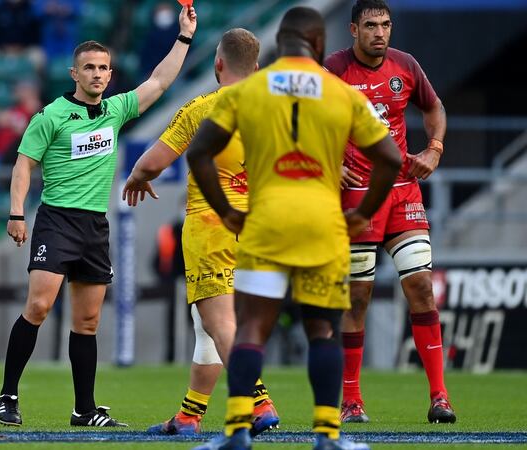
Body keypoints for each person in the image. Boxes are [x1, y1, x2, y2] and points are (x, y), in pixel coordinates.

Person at [186, 7, 401, 450]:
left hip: (266, 223)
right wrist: (364, 213)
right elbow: (391, 159)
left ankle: (237, 433)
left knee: (250, 329)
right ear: (319, 44)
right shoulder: (341, 93)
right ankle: (326, 436)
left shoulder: (249, 90)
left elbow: (199, 154)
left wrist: (227, 211)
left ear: (279, 44)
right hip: (322, 225)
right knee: (322, 329)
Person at [0, 4, 197, 428]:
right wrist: (16, 214)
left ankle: (83, 411)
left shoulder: (116, 109)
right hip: (56, 220)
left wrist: (184, 38)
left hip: (93, 226)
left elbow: (159, 82)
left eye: (103, 68)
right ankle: (8, 395)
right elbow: (22, 166)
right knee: (39, 305)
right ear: (74, 74)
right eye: (89, 67)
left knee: (87, 321)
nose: (97, 74)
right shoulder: (50, 116)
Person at [122, 28, 279, 437]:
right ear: (257, 67)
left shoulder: (202, 108)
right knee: (207, 322)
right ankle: (189, 417)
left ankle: (259, 403)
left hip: (215, 224)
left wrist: (138, 176)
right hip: (264, 228)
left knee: (218, 319)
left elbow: (153, 161)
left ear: (218, 63)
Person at [323, 0, 455, 424]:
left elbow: (433, 108)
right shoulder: (333, 71)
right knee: (357, 297)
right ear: (353, 29)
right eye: (371, 25)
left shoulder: (406, 66)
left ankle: (440, 398)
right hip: (356, 197)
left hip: (402, 192)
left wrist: (433, 149)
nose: (380, 33)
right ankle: (352, 400)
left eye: (385, 25)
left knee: (421, 288)